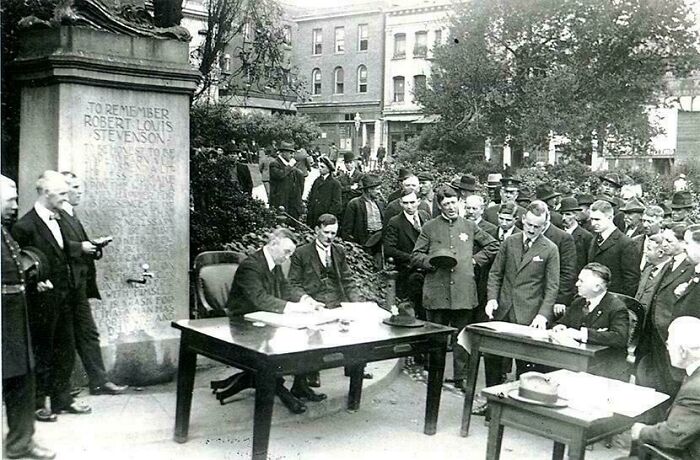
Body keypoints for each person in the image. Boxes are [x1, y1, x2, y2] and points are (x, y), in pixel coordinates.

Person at [12, 171, 92, 420]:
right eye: (62, 193)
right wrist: (36, 283)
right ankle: (37, 403)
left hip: (64, 298)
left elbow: (64, 251)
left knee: (65, 350)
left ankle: (61, 400)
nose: (66, 197)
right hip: (40, 303)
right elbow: (18, 266)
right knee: (41, 352)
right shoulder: (24, 226)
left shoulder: (59, 219)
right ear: (46, 193)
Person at [225, 228, 325, 414]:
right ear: (273, 244)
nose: (287, 257)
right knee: (288, 340)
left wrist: (305, 299)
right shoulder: (251, 265)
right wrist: (294, 307)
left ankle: (300, 384)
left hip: (266, 318)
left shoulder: (274, 264)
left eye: (291, 253)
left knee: (306, 333)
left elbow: (286, 288)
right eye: (286, 252)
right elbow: (260, 299)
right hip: (243, 323)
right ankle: (279, 386)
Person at [411, 186, 499, 390]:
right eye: (445, 204)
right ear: (440, 206)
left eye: (453, 203)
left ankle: (461, 378)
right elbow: (415, 255)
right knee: (437, 336)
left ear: (459, 202)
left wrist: (474, 260)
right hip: (437, 289)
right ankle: (435, 375)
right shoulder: (430, 227)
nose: (451, 207)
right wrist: (433, 262)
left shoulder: (469, 226)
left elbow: (493, 245)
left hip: (463, 290)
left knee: (462, 338)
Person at [2, 175, 56, 460]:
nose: (15, 205)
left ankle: (21, 443)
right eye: (10, 200)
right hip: (4, 322)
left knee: (21, 381)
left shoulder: (4, 230)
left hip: (14, 319)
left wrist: (31, 279)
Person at [59, 172, 127, 397]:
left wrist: (93, 247)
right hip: (66, 287)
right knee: (66, 339)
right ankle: (63, 389)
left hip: (78, 286)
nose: (79, 191)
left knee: (87, 334)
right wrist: (81, 247)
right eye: (75, 187)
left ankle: (99, 381)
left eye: (80, 187)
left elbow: (75, 245)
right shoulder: (56, 215)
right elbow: (55, 247)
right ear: (63, 189)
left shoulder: (70, 214)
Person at [485, 200, 560, 385]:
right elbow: (495, 273)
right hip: (503, 310)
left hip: (529, 316)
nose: (532, 230)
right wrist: (492, 299)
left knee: (526, 366)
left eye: (538, 227)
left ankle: (517, 407)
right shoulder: (510, 242)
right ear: (523, 219)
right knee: (493, 359)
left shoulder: (550, 249)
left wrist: (543, 315)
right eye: (529, 225)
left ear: (544, 225)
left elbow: (552, 287)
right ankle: (491, 403)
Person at [621, 316, 700, 460]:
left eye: (669, 345)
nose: (667, 348)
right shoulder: (695, 374)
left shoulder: (695, 389)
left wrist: (641, 431)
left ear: (683, 351)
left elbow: (673, 437)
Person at [636, 224, 694, 405]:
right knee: (646, 376)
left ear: (684, 243)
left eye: (669, 241)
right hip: (651, 330)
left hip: (668, 332)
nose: (664, 245)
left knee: (668, 381)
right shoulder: (669, 264)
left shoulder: (690, 268)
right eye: (664, 240)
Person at [551, 263, 629, 379]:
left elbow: (619, 337)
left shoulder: (617, 308)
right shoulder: (578, 302)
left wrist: (583, 334)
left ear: (597, 287)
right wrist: (560, 326)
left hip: (604, 368)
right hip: (574, 362)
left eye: (581, 281)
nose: (577, 284)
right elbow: (562, 322)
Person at [383, 191, 430, 306]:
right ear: (400, 203)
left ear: (419, 202)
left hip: (428, 267)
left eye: (412, 202)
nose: (409, 206)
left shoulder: (425, 216)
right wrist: (413, 258)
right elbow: (389, 249)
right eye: (405, 203)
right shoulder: (395, 222)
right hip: (408, 269)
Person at [587, 199, 641, 297]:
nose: (593, 223)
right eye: (592, 219)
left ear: (610, 217)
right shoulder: (594, 239)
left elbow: (631, 281)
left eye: (597, 219)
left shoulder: (626, 243)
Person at [341, 174, 385, 248]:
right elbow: (347, 229)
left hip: (379, 241)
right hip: (363, 242)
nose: (379, 192)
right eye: (377, 189)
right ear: (369, 190)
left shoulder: (380, 203)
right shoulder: (355, 204)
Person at [269, 141, 305, 219]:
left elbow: (300, 184)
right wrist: (289, 166)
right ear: (283, 153)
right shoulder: (274, 164)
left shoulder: (291, 167)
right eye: (290, 153)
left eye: (293, 153)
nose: (292, 155)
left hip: (292, 202)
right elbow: (280, 175)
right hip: (280, 202)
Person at [634, 234, 670, 311]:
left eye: (649, 249)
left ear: (660, 253)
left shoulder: (668, 273)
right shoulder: (647, 270)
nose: (645, 252)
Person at [305, 156, 342, 226]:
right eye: (319, 166)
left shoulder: (335, 184)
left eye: (322, 167)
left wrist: (328, 217)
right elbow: (311, 197)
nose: (320, 168)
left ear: (328, 169)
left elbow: (337, 204)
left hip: (326, 220)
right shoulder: (317, 181)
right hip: (314, 217)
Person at [561, 197, 593, 275]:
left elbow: (588, 261)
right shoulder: (558, 233)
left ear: (576, 215)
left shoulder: (586, 236)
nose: (563, 218)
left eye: (568, 214)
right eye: (562, 214)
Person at [634, 205, 665, 269]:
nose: (645, 225)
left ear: (660, 223)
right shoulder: (634, 241)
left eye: (650, 222)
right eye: (643, 221)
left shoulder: (666, 243)